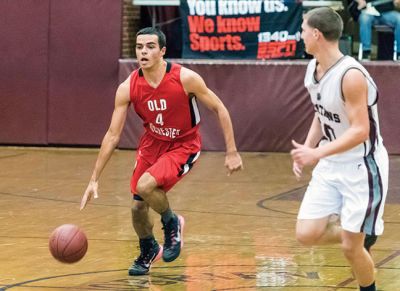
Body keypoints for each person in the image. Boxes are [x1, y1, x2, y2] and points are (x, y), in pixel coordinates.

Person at [80, 27, 243, 276]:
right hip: (152, 145)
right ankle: (149, 250)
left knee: (146, 186)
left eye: (150, 46)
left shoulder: (185, 78)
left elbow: (220, 108)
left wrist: (231, 151)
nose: (143, 51)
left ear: (162, 51)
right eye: (139, 46)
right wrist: (94, 179)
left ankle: (172, 222)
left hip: (183, 145)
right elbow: (113, 135)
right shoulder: (128, 87)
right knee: (137, 209)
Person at [291, 7, 388, 291]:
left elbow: (361, 131)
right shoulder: (313, 68)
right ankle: (357, 229)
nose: (301, 35)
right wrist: (308, 148)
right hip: (330, 165)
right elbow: (321, 113)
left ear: (316, 34)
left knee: (350, 247)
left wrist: (317, 153)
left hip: (362, 166)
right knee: (306, 234)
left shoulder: (351, 75)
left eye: (303, 29)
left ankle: (365, 277)